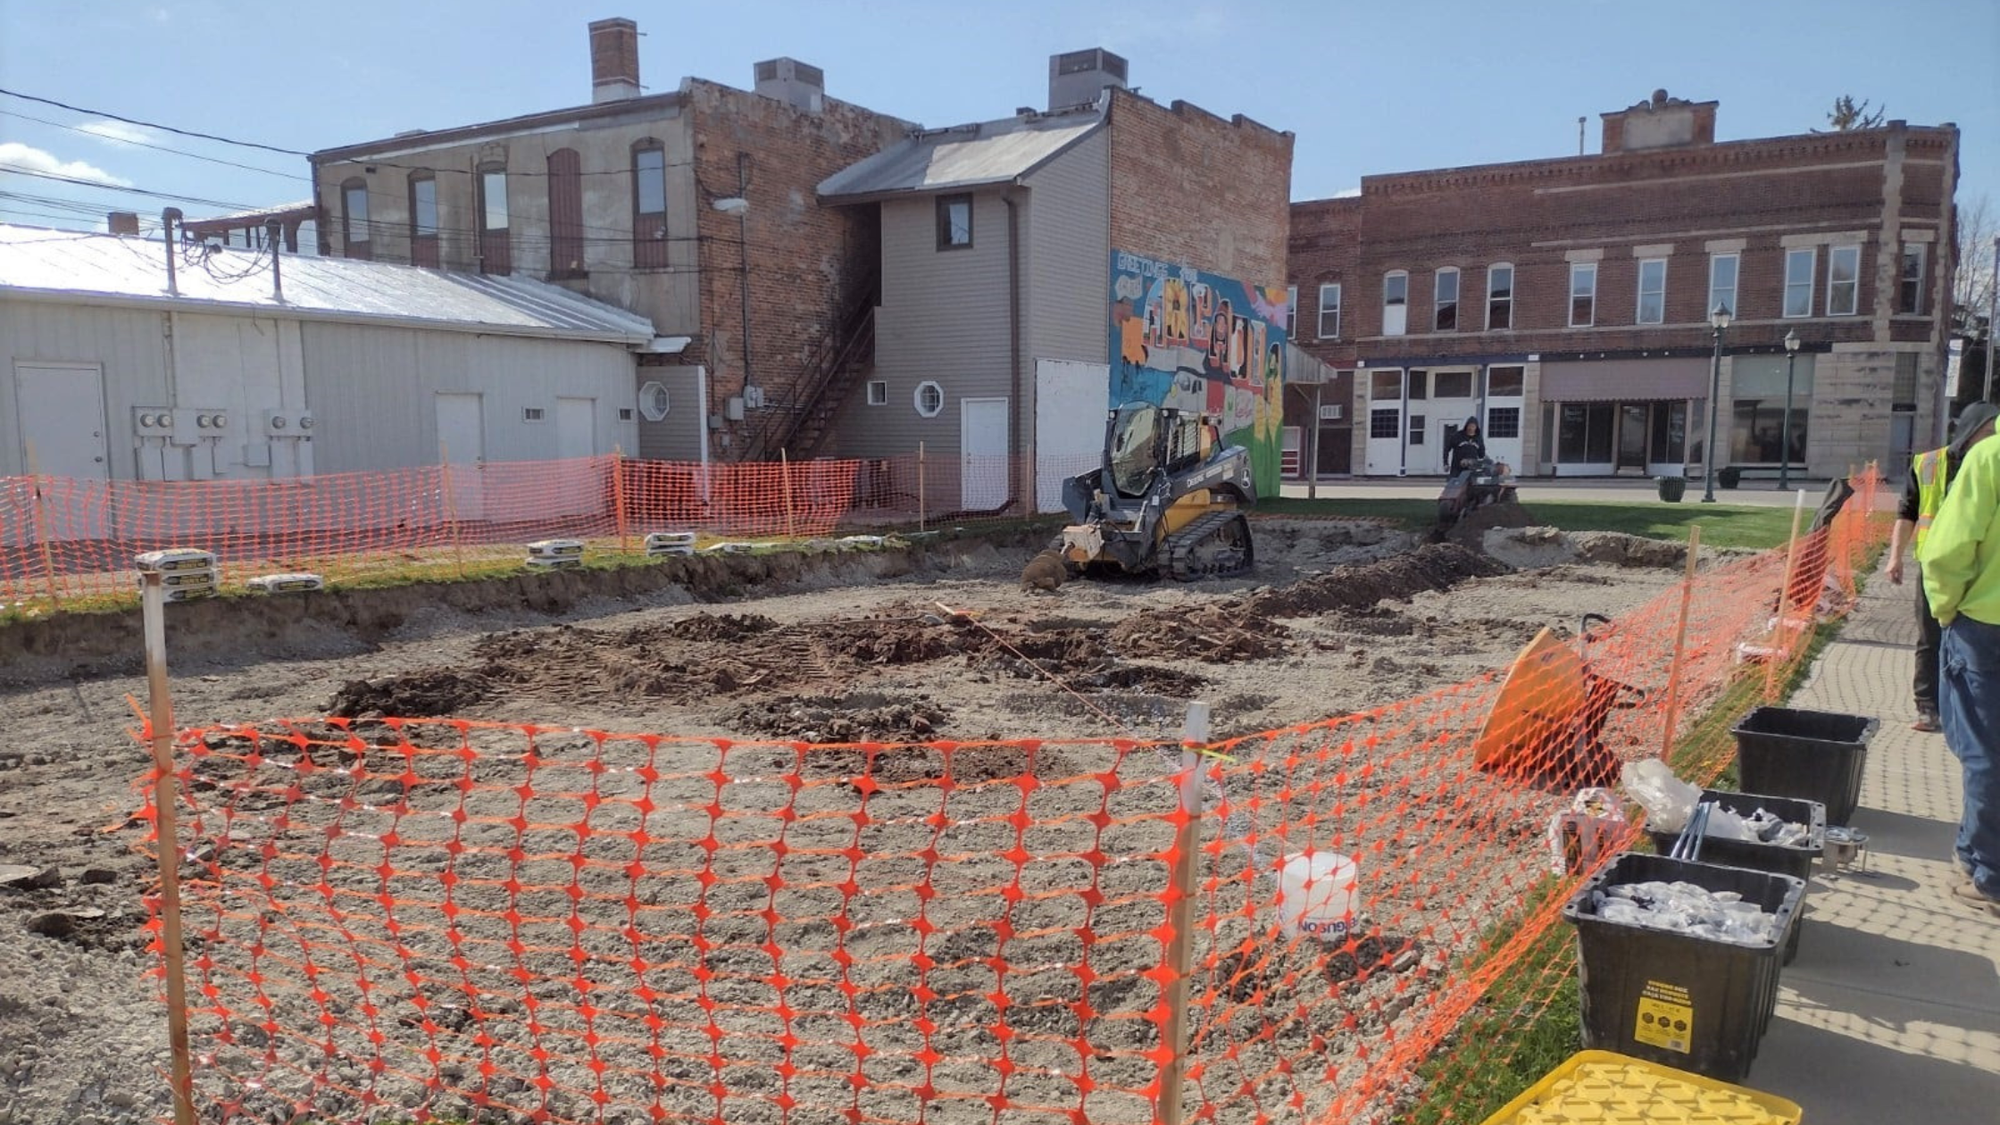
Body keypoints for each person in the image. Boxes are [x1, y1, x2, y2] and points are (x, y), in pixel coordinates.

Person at [1919, 407, 2000, 918]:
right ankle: (1975, 854)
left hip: (1985, 625)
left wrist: (1946, 609)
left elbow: (1947, 551)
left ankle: (1987, 871)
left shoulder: (1990, 457)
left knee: (1983, 749)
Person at [1889, 402, 2000, 731]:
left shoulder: (1988, 459)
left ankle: (1957, 712)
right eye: (1989, 429)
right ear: (1971, 428)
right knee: (1930, 638)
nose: (1993, 435)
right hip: (1936, 569)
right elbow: (1907, 513)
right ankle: (1928, 707)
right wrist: (1896, 556)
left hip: (1979, 576)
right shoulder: (1928, 463)